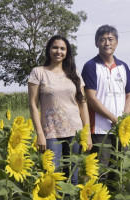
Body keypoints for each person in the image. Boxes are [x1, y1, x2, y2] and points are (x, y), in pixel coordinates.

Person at [28, 35, 92, 185]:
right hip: (50, 132)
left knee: (72, 176)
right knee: (52, 175)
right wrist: (39, 133)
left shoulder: (74, 74)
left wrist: (86, 133)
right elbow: (32, 104)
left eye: (62, 48)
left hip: (75, 132)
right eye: (55, 47)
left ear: (67, 52)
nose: (58, 51)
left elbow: (83, 104)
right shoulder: (38, 72)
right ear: (49, 50)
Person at [81, 25, 130, 166]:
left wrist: (123, 119)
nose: (107, 43)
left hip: (121, 129)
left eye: (110, 39)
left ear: (116, 42)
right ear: (96, 43)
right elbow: (91, 98)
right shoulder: (91, 66)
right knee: (101, 170)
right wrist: (113, 118)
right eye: (102, 39)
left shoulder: (123, 67)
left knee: (120, 170)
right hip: (99, 129)